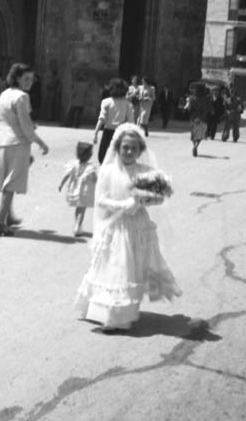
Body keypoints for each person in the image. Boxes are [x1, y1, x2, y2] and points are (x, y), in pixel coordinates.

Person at [73, 124, 182, 331]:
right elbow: (102, 201)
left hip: (137, 227)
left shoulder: (146, 173)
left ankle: (124, 311)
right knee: (116, 267)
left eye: (134, 148)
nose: (129, 152)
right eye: (125, 147)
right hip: (116, 227)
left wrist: (145, 201)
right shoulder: (107, 171)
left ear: (141, 150)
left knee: (131, 268)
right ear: (117, 148)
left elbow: (159, 198)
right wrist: (123, 205)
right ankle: (113, 316)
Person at [0, 63, 49, 236]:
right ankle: (0, 223)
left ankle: (8, 216)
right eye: (26, 79)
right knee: (11, 183)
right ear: (17, 78)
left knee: (8, 181)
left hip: (2, 141)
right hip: (17, 143)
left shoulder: (4, 94)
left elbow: (3, 119)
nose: (29, 82)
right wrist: (40, 142)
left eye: (31, 79)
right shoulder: (22, 97)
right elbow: (25, 126)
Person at [58, 141, 98, 237]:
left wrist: (61, 184)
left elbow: (67, 175)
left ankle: (77, 224)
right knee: (82, 210)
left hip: (75, 190)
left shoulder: (74, 164)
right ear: (90, 155)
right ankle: (78, 225)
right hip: (85, 191)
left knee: (77, 209)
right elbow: (95, 178)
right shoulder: (90, 167)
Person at [93, 78, 133, 164]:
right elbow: (131, 123)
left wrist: (95, 133)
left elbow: (102, 118)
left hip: (107, 132)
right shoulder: (128, 104)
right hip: (121, 133)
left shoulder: (106, 102)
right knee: (119, 159)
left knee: (103, 158)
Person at [184, 83, 213, 156]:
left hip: (194, 119)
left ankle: (194, 145)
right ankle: (196, 146)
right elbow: (210, 108)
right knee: (201, 135)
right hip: (203, 119)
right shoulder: (207, 98)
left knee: (194, 135)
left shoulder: (192, 98)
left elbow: (190, 109)